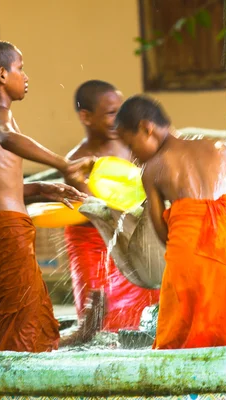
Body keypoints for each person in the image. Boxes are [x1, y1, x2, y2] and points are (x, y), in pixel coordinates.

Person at [115, 94, 226, 349]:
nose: (131, 156)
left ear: (147, 129)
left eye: (130, 146)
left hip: (184, 255)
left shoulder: (152, 170)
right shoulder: (222, 148)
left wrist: (185, 247)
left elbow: (159, 227)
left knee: (178, 329)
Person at [0, 39, 96, 352]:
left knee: (23, 313)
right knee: (22, 322)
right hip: (6, 230)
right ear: (1, 75)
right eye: (20, 69)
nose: (25, 77)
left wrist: (42, 188)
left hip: (4, 227)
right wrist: (62, 163)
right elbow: (9, 139)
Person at [64, 80, 160, 332]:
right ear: (86, 116)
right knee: (96, 315)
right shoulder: (75, 161)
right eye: (110, 114)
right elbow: (94, 208)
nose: (119, 119)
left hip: (128, 238)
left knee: (145, 312)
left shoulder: (130, 147)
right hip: (92, 241)